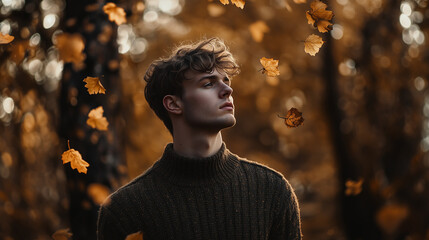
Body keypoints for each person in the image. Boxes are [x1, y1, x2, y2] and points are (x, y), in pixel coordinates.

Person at [97, 38, 302, 240]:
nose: (228, 91)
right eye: (208, 84)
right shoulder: (125, 210)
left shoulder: (272, 191)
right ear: (174, 104)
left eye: (226, 81)